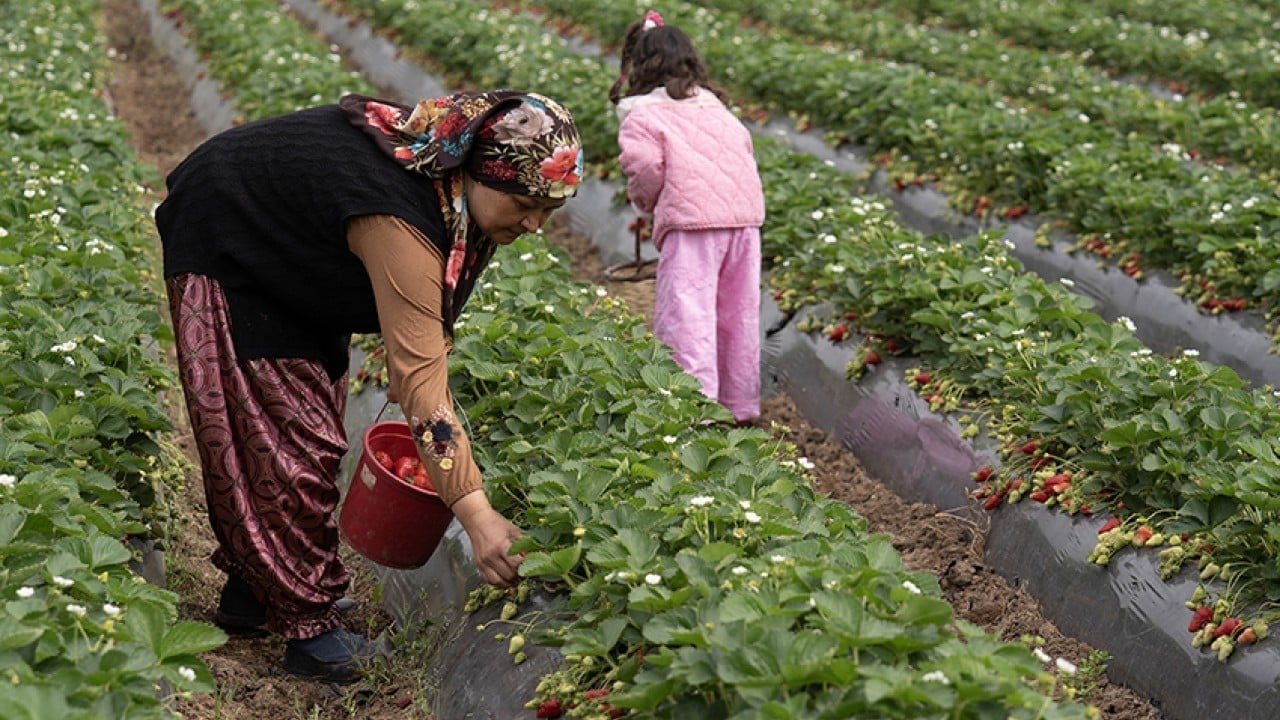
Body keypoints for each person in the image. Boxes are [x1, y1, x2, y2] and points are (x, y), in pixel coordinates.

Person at [154, 90, 583, 682]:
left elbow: (428, 332)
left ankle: (256, 591)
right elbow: (420, 380)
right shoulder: (398, 218)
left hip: (298, 260)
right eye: (527, 202)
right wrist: (478, 515)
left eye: (551, 210)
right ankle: (308, 632)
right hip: (229, 237)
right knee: (287, 444)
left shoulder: (455, 193)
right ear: (483, 172)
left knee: (312, 429)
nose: (536, 224)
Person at [609, 10, 766, 425]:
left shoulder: (643, 114)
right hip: (745, 220)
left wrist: (645, 201)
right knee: (738, 310)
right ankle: (738, 404)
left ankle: (694, 408)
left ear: (639, 65)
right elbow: (744, 151)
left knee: (689, 312)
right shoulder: (713, 105)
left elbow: (644, 167)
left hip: (693, 225)